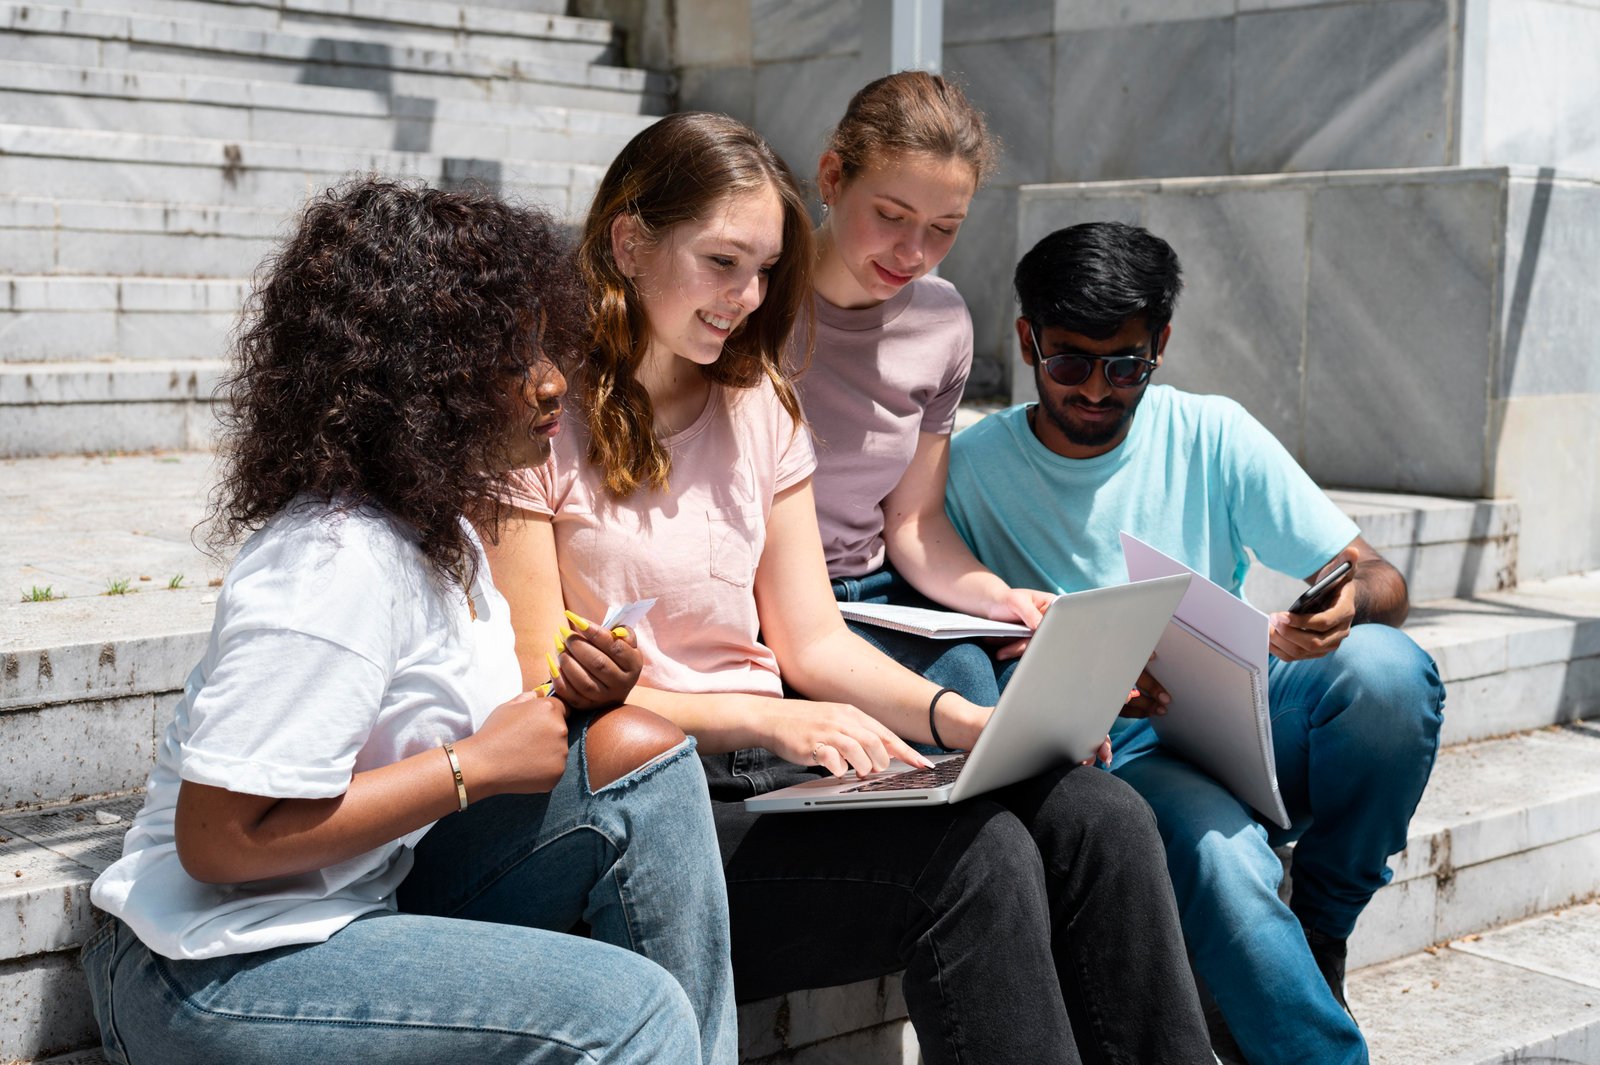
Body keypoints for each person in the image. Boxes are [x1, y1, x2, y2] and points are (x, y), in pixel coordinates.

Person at [486, 110, 1215, 1065]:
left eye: (765, 270)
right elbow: (538, 682)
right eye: (722, 263)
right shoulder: (536, 419)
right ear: (629, 241)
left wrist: (967, 721)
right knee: (975, 860)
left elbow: (816, 644)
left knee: (1099, 815)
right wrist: (769, 720)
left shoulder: (757, 404)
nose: (749, 298)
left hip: (776, 775)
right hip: (651, 806)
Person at [80, 179, 737, 1065]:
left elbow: (441, 730)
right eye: (512, 358)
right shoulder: (334, 562)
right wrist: (474, 768)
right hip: (210, 968)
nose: (552, 382)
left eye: (549, 345)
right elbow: (215, 839)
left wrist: (571, 699)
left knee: (643, 762)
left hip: (358, 899)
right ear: (414, 378)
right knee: (627, 1009)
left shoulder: (445, 532)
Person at [944, 220, 1447, 1065]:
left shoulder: (1211, 431)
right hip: (1124, 752)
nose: (1097, 390)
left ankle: (1322, 921)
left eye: (1125, 365)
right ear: (1027, 339)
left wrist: (1345, 603)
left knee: (1390, 672)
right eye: (1068, 361)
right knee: (1225, 863)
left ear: (1161, 346)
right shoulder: (970, 470)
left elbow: (1383, 576)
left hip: (1247, 703)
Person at [801, 71, 1049, 706]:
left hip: (873, 597)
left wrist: (1001, 597)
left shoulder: (943, 321)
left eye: (945, 227)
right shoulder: (748, 297)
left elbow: (913, 518)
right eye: (891, 215)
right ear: (832, 178)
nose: (913, 251)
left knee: (991, 683)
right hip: (762, 610)